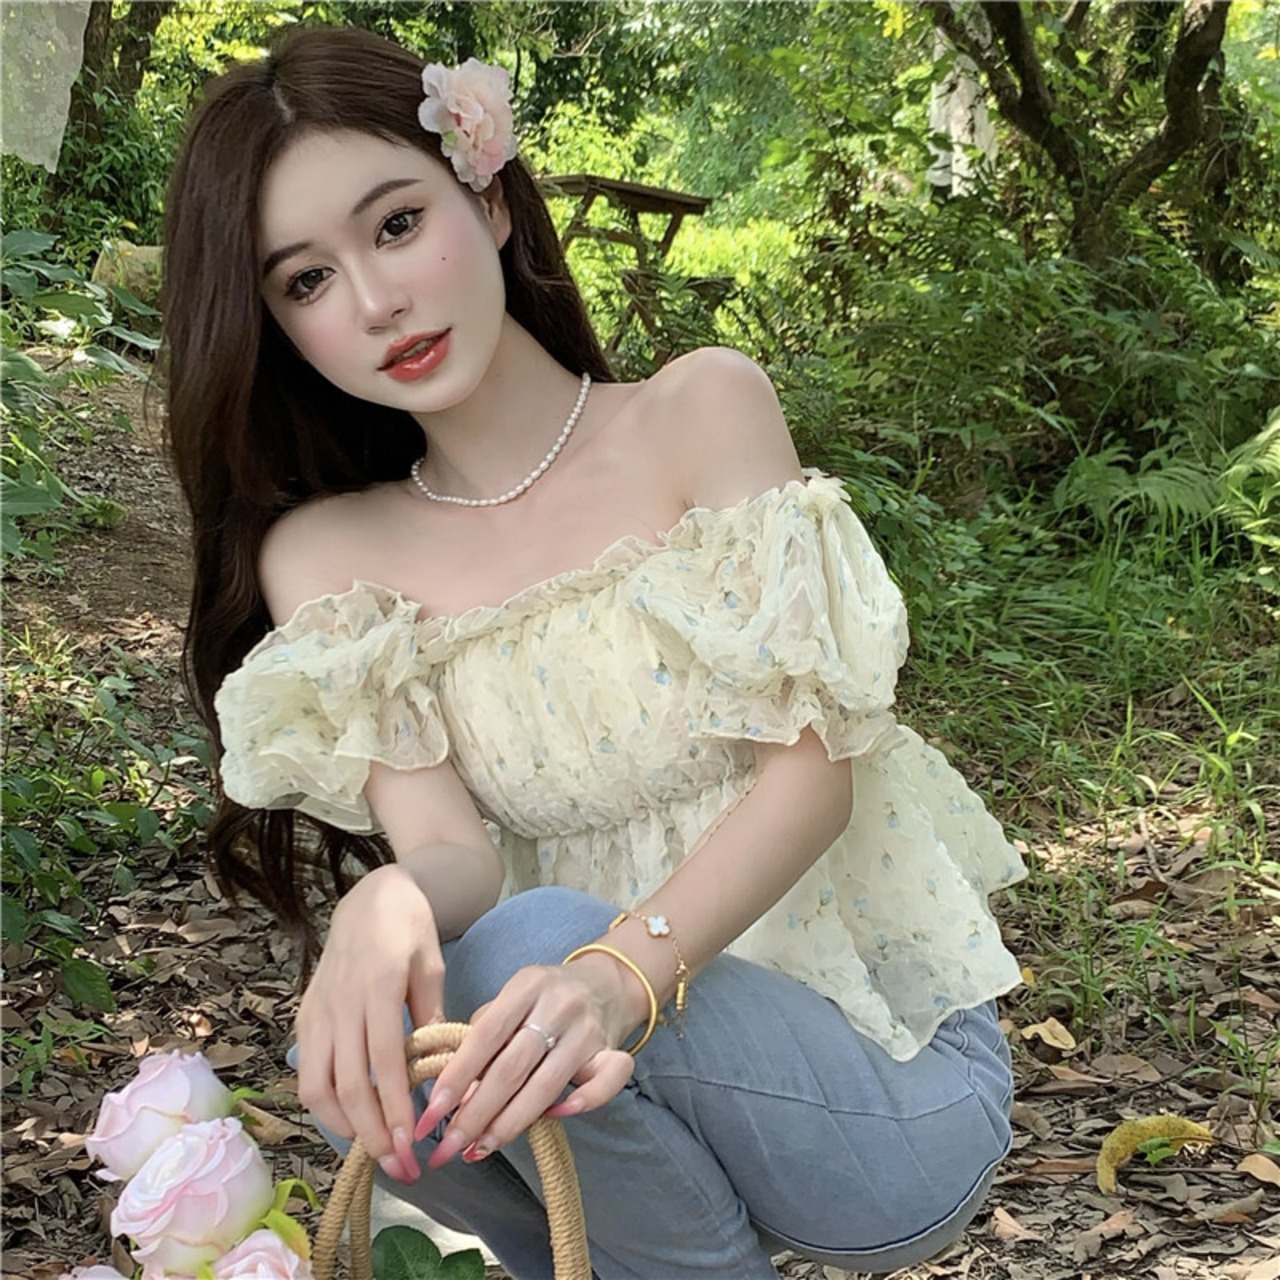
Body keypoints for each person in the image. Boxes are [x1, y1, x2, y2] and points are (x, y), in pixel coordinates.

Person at [163, 24, 1029, 1280]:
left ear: (488, 197)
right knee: (360, 1056)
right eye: (305, 281)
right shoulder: (326, 556)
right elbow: (451, 852)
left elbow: (811, 774)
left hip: (876, 1079)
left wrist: (614, 975)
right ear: (276, 326)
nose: (374, 300)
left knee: (524, 953)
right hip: (614, 1114)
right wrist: (378, 902)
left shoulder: (697, 412)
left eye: (396, 223)